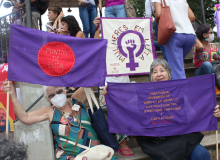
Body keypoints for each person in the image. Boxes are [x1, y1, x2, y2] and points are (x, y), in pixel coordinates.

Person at [102, 59, 220, 160]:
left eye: (162, 70)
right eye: (155, 72)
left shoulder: (179, 91)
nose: (159, 74)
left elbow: (195, 114)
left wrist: (213, 112)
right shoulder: (142, 94)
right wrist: (110, 94)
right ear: (151, 77)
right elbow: (124, 109)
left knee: (201, 154)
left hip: (181, 137)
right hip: (155, 142)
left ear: (169, 73)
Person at [2, 81, 116, 159]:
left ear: (65, 90)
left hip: (97, 153)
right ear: (48, 99)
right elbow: (25, 117)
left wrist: (73, 81)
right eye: (52, 95)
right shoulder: (49, 111)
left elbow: (91, 80)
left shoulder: (76, 100)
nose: (56, 96)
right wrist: (12, 95)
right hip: (70, 157)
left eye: (59, 91)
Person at [93, 17, 134, 157]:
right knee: (115, 106)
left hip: (125, 91)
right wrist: (98, 28)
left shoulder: (127, 50)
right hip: (107, 94)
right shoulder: (103, 52)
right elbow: (96, 44)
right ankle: (123, 142)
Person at [153, 0, 196, 80]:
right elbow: (192, 17)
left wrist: (161, 25)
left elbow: (158, 14)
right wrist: (182, 22)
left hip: (174, 34)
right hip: (190, 35)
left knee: (176, 69)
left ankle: (180, 91)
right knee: (178, 66)